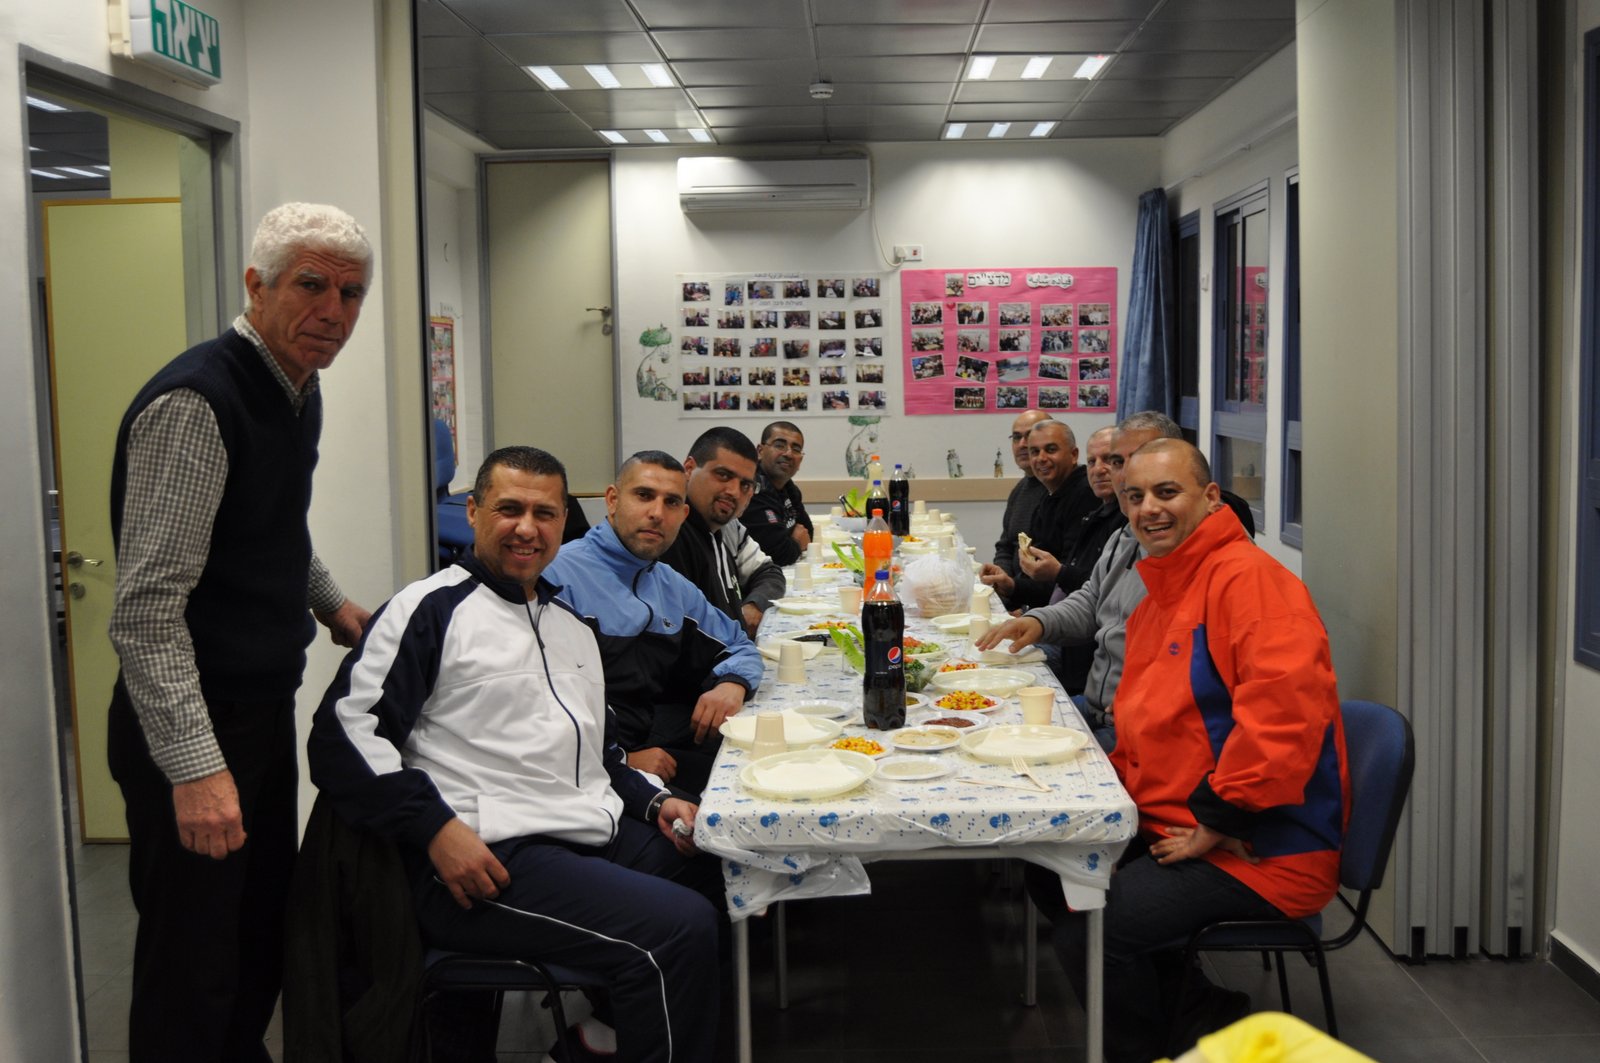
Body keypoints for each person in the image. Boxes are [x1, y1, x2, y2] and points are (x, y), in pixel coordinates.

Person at [308, 447, 720, 1063]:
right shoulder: (429, 609)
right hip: (485, 857)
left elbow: (600, 755)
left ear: (563, 524)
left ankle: (603, 1038)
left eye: (544, 514)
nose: (527, 528)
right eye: (509, 509)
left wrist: (656, 803)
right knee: (677, 929)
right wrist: (435, 828)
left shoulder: (568, 625)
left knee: (716, 861)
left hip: (574, 830)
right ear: (474, 512)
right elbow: (342, 736)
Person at [105, 202, 374, 1062]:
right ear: (257, 285)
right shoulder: (198, 403)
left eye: (351, 294)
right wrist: (195, 768)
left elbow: (269, 526)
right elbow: (146, 612)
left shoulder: (296, 388)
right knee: (193, 968)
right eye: (311, 285)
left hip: (255, 714)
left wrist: (333, 603)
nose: (333, 311)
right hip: (191, 722)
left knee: (255, 940)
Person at [1025, 438, 1349, 1063]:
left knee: (1090, 933)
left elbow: (1284, 721)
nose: (1148, 508)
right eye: (1134, 496)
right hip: (1173, 817)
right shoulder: (1166, 587)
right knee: (1044, 861)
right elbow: (1148, 723)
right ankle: (1197, 1011)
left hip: (1257, 845)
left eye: (1166, 492)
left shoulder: (1252, 583)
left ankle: (1154, 1045)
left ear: (1211, 497)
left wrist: (1219, 821)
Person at [546, 451, 764, 800]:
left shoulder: (670, 585)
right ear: (612, 500)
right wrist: (621, 761)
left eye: (671, 502)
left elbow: (740, 645)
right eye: (644, 495)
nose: (657, 513)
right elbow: (536, 708)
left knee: (761, 772)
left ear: (683, 515)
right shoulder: (556, 577)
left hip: (645, 742)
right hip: (582, 771)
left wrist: (732, 684)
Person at [975, 411, 1180, 748]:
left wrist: (1146, 701)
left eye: (1136, 459)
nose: (1122, 473)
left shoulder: (1199, 554)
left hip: (1137, 725)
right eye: (1117, 462)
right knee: (992, 721)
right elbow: (1091, 599)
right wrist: (1037, 620)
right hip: (1097, 702)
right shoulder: (1125, 535)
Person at [662, 427, 785, 638]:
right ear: (689, 469)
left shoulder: (723, 528)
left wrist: (754, 605)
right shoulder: (670, 535)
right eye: (723, 475)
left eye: (745, 485)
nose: (734, 492)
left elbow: (769, 572)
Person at [979, 418, 1099, 610]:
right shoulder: (1048, 495)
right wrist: (1009, 585)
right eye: (1034, 452)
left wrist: (1027, 612)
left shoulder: (1086, 495)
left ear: (1074, 455)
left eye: (1051, 450)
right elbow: (1031, 567)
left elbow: (1070, 583)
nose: (1041, 458)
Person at [740, 421, 814, 565]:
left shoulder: (788, 487)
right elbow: (778, 554)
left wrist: (790, 540)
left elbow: (807, 532)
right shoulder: (751, 490)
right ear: (760, 451)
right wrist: (795, 541)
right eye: (779, 445)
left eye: (796, 449)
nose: (788, 453)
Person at [990, 409, 1051, 581]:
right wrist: (1002, 578)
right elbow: (1005, 547)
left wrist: (1013, 589)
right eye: (1017, 437)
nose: (1022, 444)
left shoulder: (1059, 490)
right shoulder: (1020, 489)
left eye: (1030, 436)